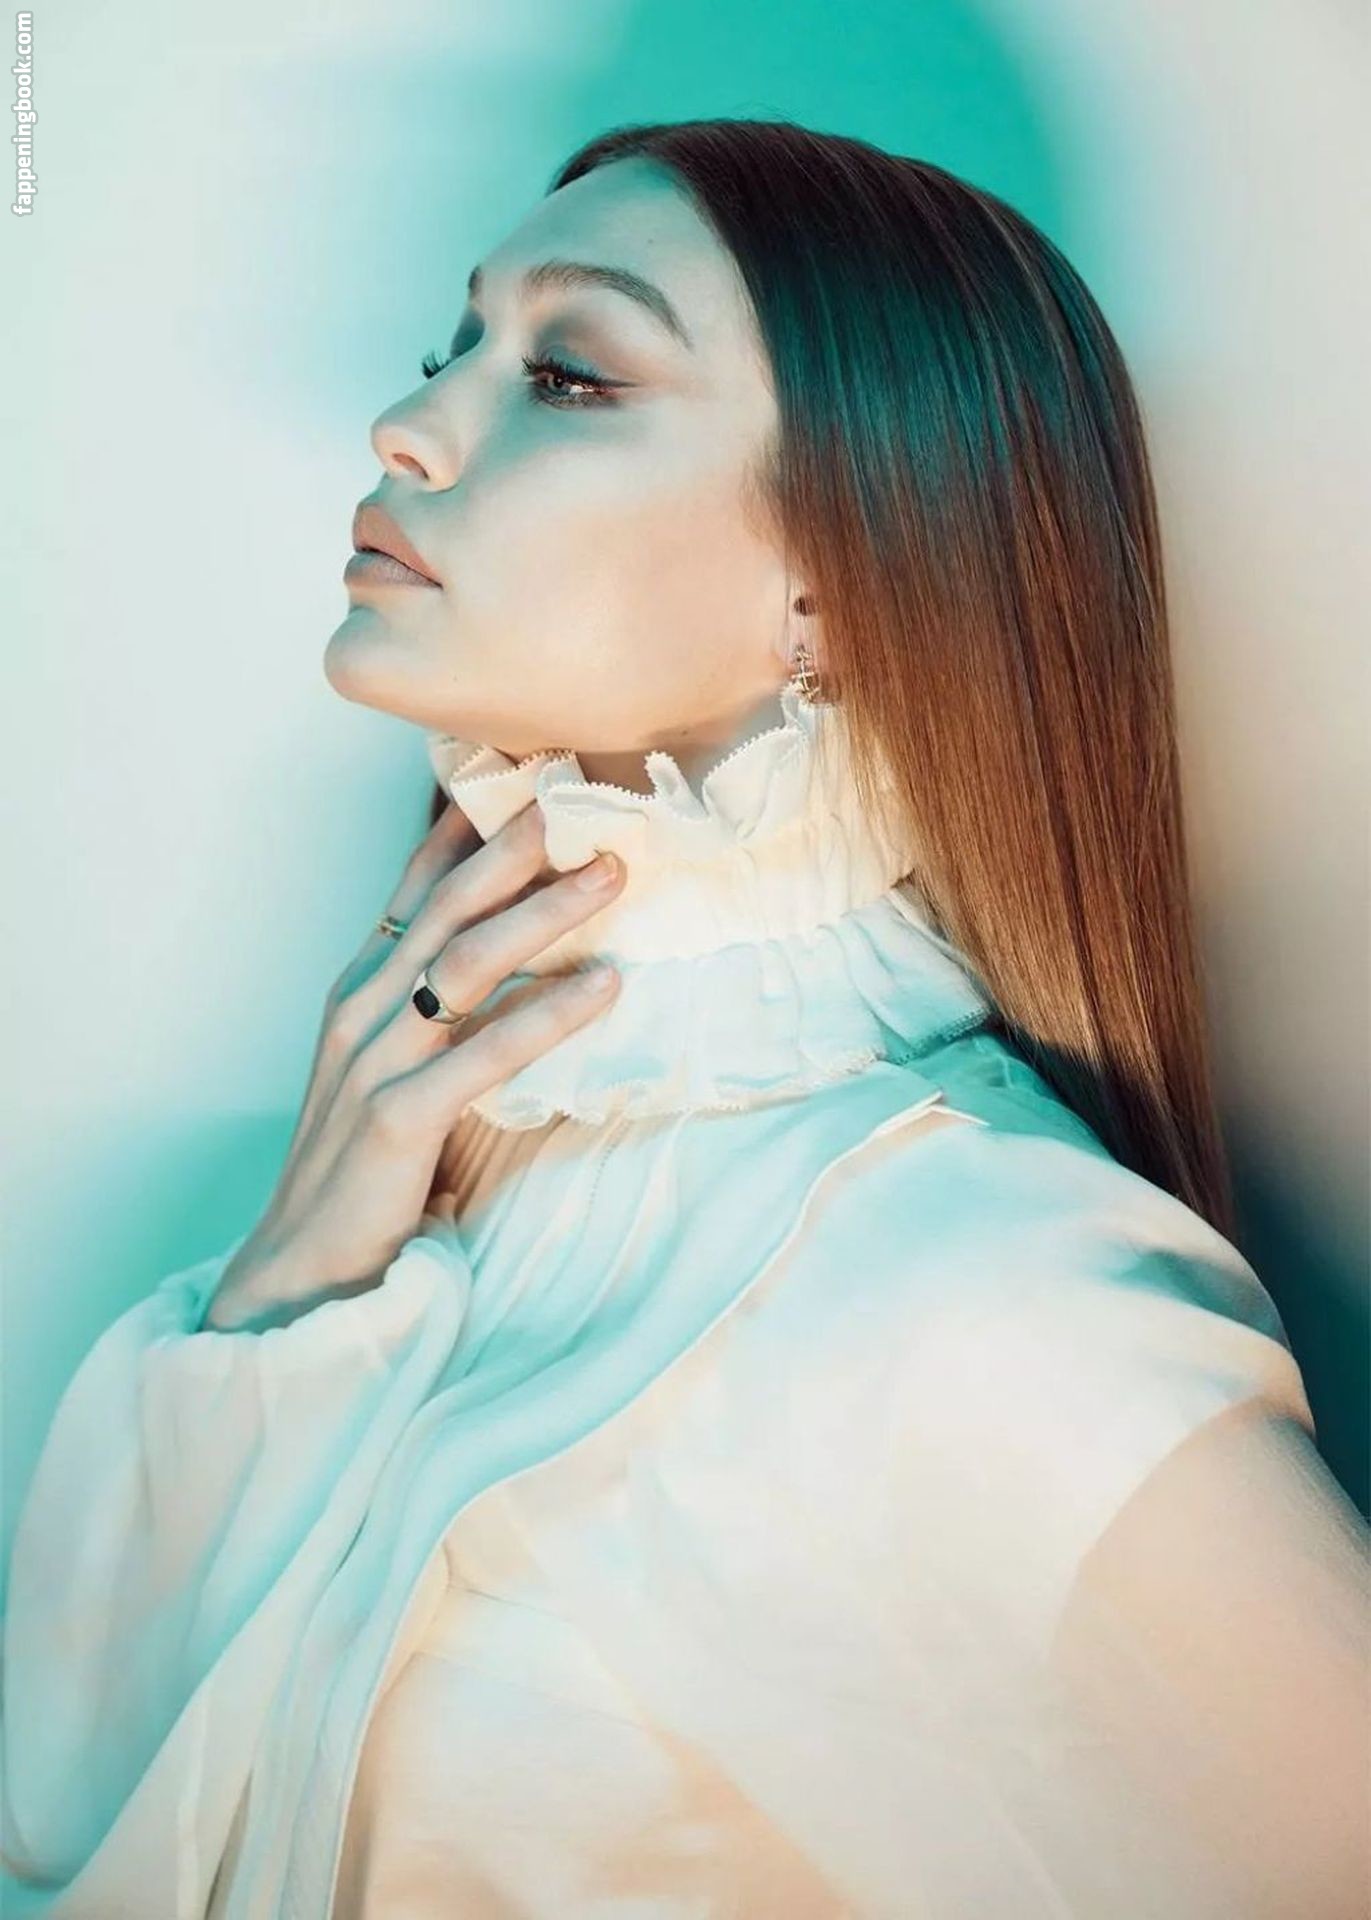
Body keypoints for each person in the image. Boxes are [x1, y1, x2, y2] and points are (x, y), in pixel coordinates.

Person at [2, 117, 1367, 1920]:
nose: (406, 427)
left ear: (840, 580)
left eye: (569, 374)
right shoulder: (463, 1160)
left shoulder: (989, 1291)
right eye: (451, 349)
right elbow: (67, 1826)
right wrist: (288, 1294)